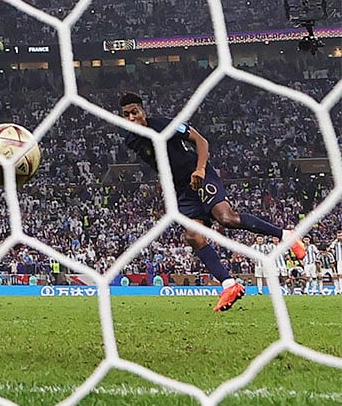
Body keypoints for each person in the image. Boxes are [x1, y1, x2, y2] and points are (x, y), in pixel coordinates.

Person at [118, 92, 306, 312]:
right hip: (182, 189)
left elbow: (200, 140)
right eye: (125, 115)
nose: (131, 118)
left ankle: (286, 235)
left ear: (143, 111)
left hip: (199, 174)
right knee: (193, 236)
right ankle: (229, 285)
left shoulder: (164, 124)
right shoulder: (130, 140)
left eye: (134, 112)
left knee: (227, 218)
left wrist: (199, 169)